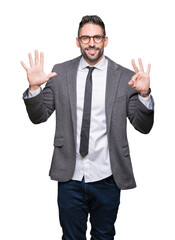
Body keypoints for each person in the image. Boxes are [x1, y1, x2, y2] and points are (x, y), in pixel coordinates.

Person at [21, 15, 154, 240]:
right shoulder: (60, 73)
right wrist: (34, 88)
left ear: (105, 40)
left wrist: (144, 94)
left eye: (96, 37)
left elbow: (143, 126)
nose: (91, 43)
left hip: (108, 177)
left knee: (104, 237)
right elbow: (39, 116)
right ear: (77, 41)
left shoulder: (125, 78)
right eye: (86, 38)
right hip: (70, 177)